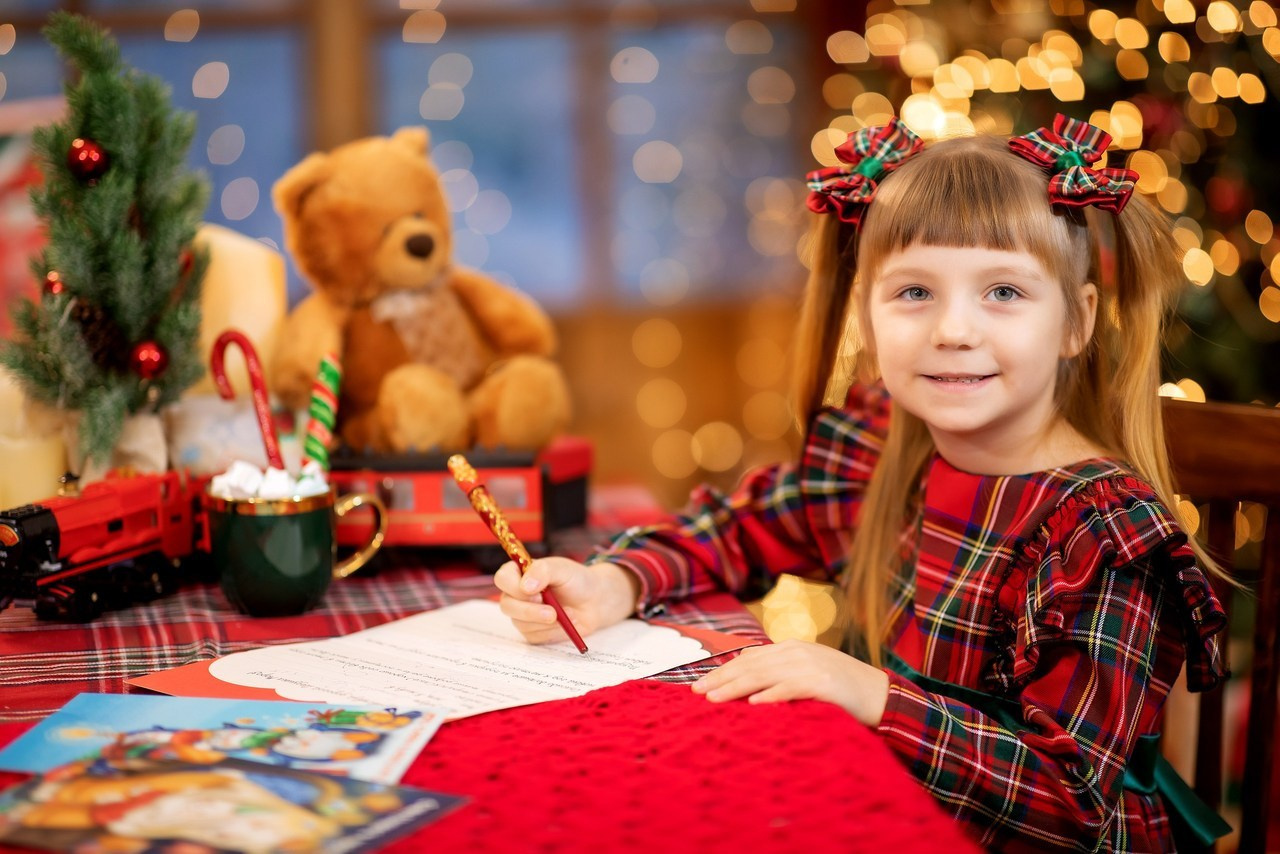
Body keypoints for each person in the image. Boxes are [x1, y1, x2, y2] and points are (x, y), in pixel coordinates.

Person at [494, 114, 1231, 852]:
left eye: (1004, 292)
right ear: (868, 319)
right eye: (914, 293)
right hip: (882, 809)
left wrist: (873, 695)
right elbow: (739, 529)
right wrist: (616, 581)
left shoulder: (1099, 532)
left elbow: (1070, 801)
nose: (953, 330)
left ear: (1077, 321)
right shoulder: (881, 450)